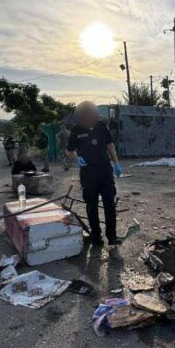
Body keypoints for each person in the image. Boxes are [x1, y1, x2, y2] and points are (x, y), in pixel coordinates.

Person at [65, 101, 123, 246]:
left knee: (109, 203)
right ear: (82, 116)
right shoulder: (76, 131)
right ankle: (96, 236)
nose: (90, 116)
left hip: (105, 172)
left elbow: (110, 145)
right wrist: (76, 158)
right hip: (88, 173)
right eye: (87, 114)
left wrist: (116, 162)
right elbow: (69, 150)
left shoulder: (102, 127)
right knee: (91, 205)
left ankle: (112, 236)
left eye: (92, 113)